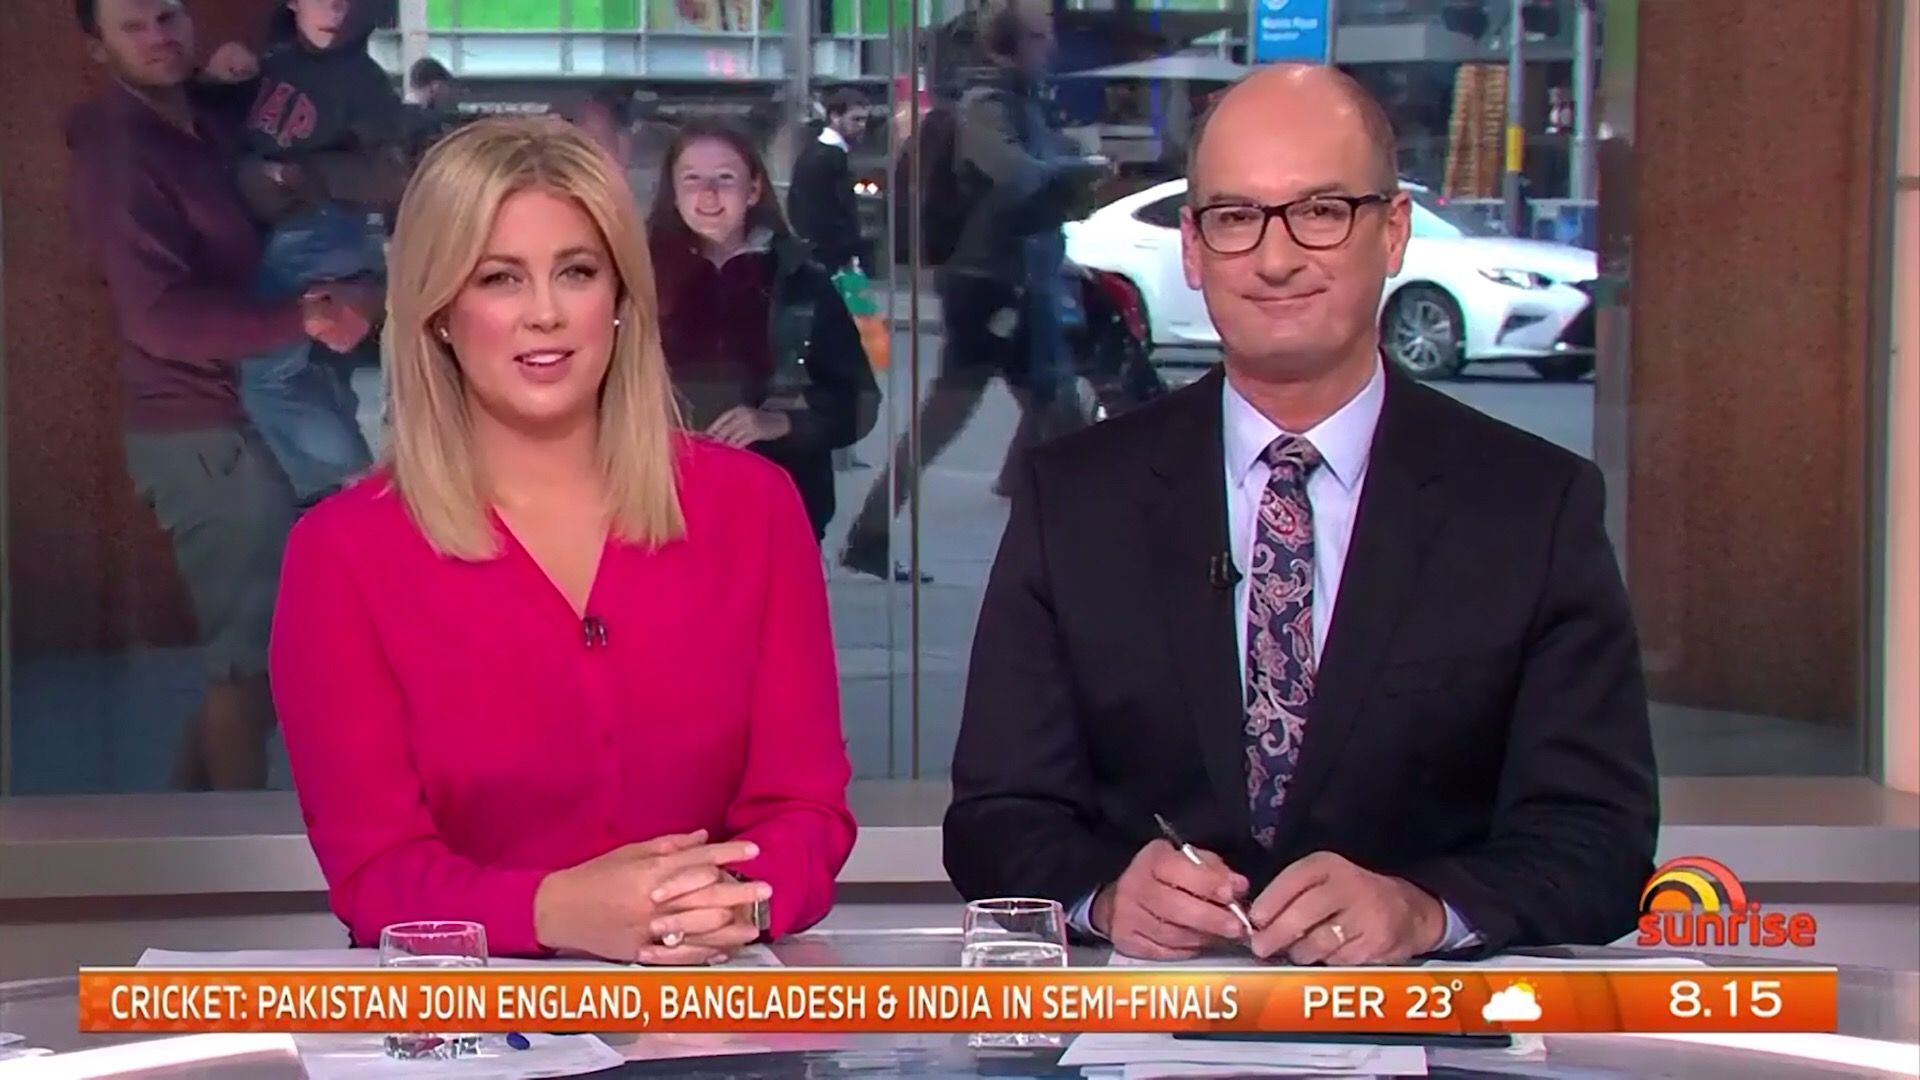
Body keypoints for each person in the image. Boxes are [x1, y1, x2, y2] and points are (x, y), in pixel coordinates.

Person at [943, 65, 1658, 963]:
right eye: (1236, 217)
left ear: (1393, 231)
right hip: (1149, 1014)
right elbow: (997, 819)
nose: (1275, 259)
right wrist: (1108, 895)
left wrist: (1426, 909)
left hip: (1424, 1016)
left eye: (1321, 211)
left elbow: (1600, 837)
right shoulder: (1076, 499)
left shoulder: (1531, 506)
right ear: (1194, 248)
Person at [270, 116, 857, 960]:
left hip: (709, 999)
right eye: (500, 278)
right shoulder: (343, 555)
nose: (545, 314)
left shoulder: (753, 509)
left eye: (576, 272)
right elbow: (376, 872)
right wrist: (553, 912)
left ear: (618, 300)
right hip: (472, 1016)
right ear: (440, 311)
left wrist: (736, 899)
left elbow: (805, 809)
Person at [66, 0, 376, 790]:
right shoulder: (119, 152)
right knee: (247, 668)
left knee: (253, 663)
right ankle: (230, 846)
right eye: (133, 26)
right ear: (97, 48)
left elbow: (314, 125)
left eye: (167, 15)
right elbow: (158, 317)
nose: (158, 35)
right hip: (199, 434)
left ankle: (182, 826)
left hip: (241, 417)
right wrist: (300, 317)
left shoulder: (202, 118)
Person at [839, 0, 1103, 582]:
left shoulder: (1021, 103)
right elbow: (1018, 176)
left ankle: (1072, 547)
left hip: (1014, 280)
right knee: (971, 413)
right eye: (1039, 37)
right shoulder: (986, 107)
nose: (1051, 47)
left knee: (1053, 412)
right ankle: (871, 532)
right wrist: (1077, 169)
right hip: (989, 286)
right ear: (1010, 47)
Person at [647, 120, 879, 541]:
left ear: (753, 189)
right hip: (660, 510)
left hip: (775, 511)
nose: (708, 194)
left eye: (725, 178)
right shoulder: (636, 280)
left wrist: (781, 423)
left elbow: (858, 403)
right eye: (692, 179)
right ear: (673, 191)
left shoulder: (801, 281)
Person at [231, 0, 407, 504]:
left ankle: (353, 488)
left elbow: (392, 174)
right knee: (312, 373)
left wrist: (301, 176)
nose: (334, 5)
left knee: (265, 375)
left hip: (324, 232)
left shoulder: (365, 82)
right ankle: (343, 495)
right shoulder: (273, 62)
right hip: (293, 234)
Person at [786, 88, 867, 273]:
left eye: (864, 120)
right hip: (832, 256)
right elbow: (841, 209)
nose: (862, 126)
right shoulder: (831, 157)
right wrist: (850, 251)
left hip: (819, 252)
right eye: (856, 119)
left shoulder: (814, 151)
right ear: (835, 117)